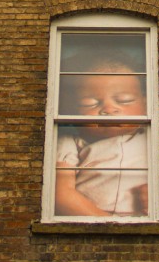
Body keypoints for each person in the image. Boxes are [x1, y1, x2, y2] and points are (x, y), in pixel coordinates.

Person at [55, 54, 149, 217]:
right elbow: (61, 196)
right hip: (90, 222)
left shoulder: (153, 140)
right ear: (73, 112)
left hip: (142, 223)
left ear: (147, 105)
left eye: (124, 100)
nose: (108, 109)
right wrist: (113, 224)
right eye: (89, 103)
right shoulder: (70, 142)